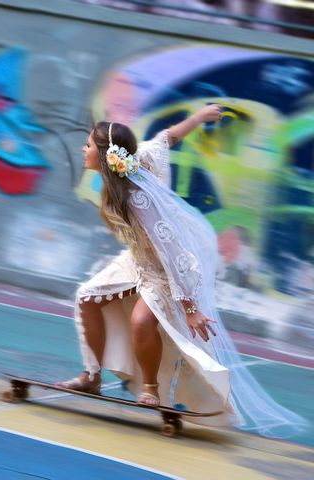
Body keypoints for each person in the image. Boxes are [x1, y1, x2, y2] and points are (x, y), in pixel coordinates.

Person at [57, 106, 307, 435]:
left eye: (88, 145)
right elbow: (168, 137)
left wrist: (190, 308)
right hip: (137, 260)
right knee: (87, 297)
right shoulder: (133, 158)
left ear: (106, 155)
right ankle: (91, 377)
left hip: (167, 268)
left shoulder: (138, 199)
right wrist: (200, 118)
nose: (83, 150)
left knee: (141, 320)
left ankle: (150, 389)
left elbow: (174, 254)